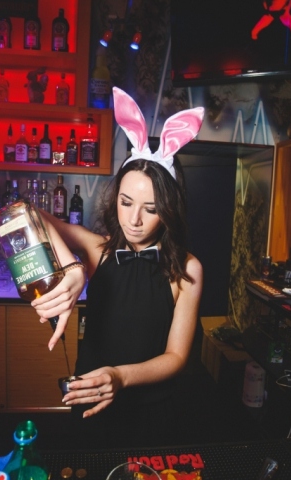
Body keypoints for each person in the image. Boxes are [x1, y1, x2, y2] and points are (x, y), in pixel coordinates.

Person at [31, 87, 205, 447]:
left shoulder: (188, 269)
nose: (134, 220)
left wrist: (120, 377)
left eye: (151, 209)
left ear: (168, 212)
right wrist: (73, 267)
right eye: (126, 203)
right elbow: (31, 213)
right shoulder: (97, 250)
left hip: (153, 411)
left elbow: (176, 356)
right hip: (92, 401)